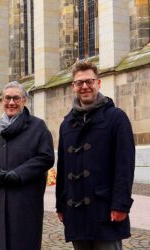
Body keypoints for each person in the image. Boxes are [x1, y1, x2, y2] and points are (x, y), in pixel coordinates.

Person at [56, 60, 135, 250]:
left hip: (105, 209)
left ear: (98, 83)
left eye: (89, 81)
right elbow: (63, 167)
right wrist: (60, 204)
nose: (85, 87)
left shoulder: (116, 117)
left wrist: (121, 204)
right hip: (75, 211)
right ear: (73, 87)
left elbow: (125, 165)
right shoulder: (67, 124)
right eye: (79, 83)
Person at [0, 81, 55, 250]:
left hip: (24, 201)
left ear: (24, 101)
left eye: (16, 98)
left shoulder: (37, 127)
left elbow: (46, 157)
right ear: (2, 101)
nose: (11, 103)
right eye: (7, 98)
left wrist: (19, 174)